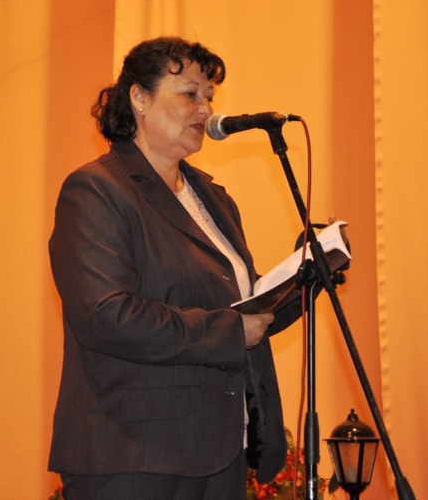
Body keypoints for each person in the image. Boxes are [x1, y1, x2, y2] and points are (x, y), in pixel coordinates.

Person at [48, 36, 305, 500]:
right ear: (140, 98)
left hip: (219, 452)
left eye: (210, 96)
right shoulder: (97, 191)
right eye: (189, 94)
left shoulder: (215, 200)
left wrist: (306, 277)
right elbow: (106, 317)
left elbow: (247, 314)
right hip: (134, 455)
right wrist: (230, 331)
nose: (206, 109)